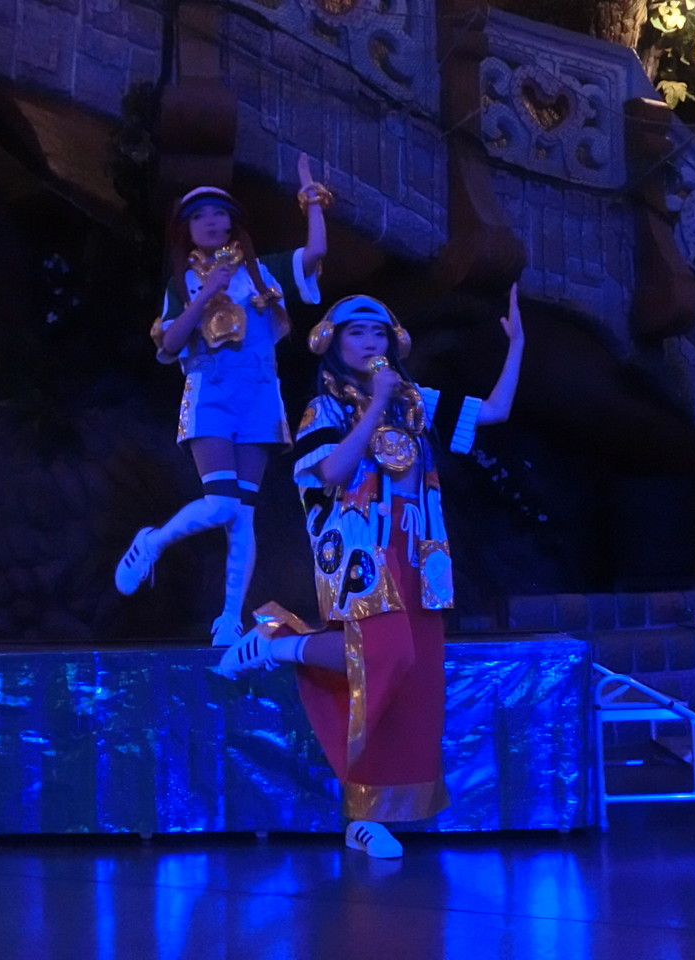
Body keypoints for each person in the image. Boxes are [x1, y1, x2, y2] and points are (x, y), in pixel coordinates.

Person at [216, 287, 524, 858]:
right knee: (389, 655)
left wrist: (518, 345)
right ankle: (277, 644)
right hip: (361, 546)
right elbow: (332, 471)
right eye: (356, 332)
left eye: (378, 332)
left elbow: (495, 411)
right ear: (334, 343)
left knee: (414, 680)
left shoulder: (414, 400)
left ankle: (364, 816)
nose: (369, 342)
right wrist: (375, 405)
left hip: (418, 547)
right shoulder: (324, 409)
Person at [114, 156, 331, 646]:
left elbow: (316, 251)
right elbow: (170, 345)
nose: (211, 222)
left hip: (259, 399)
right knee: (221, 503)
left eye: (218, 213)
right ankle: (154, 541)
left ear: (232, 222)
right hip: (210, 396)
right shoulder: (182, 283)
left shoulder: (262, 272)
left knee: (242, 513)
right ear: (187, 229)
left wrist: (311, 197)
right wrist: (204, 293)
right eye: (199, 216)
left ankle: (229, 618)